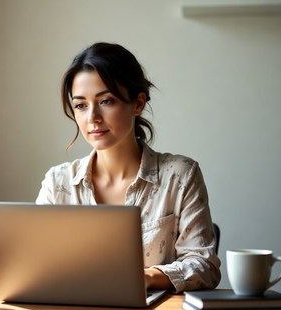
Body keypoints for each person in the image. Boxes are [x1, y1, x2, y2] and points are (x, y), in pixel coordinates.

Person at [36, 42, 221, 293]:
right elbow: (37, 263)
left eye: (107, 101)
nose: (92, 118)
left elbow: (205, 266)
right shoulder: (58, 182)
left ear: (138, 103)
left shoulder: (180, 174)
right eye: (81, 105)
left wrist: (147, 277)